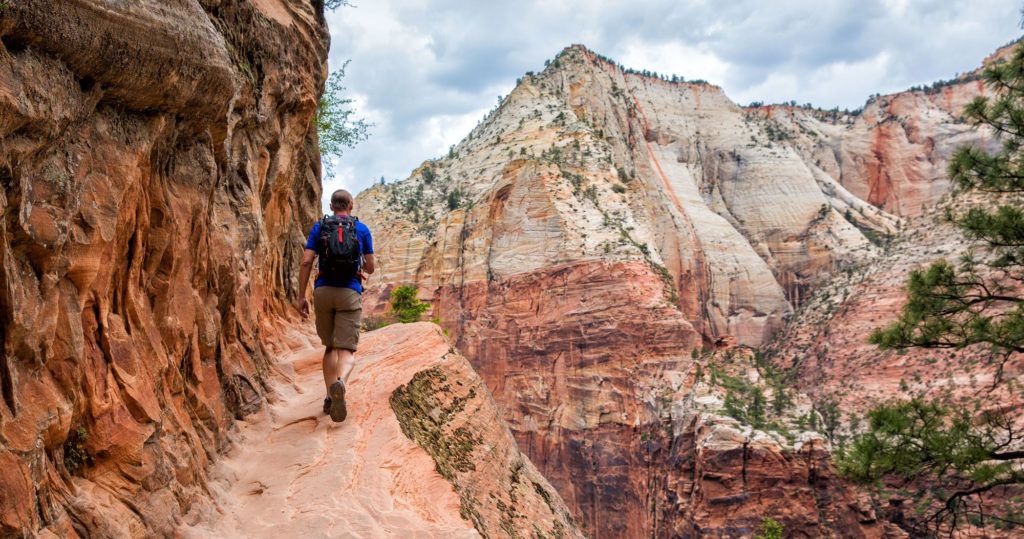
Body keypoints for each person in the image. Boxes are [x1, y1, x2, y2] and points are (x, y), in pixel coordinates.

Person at [296, 189, 374, 422]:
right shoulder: (361, 229)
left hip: (323, 291)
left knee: (330, 347)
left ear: (331, 206)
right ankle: (341, 383)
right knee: (346, 350)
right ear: (351, 205)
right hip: (349, 291)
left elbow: (306, 261)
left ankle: (330, 395)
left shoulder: (320, 227)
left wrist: (302, 295)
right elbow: (370, 267)